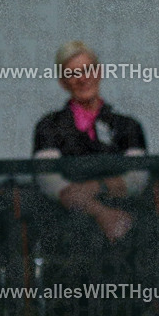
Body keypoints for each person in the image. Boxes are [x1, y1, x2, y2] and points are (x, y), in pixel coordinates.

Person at [33, 40, 148, 240]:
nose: (82, 79)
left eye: (87, 70)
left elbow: (138, 179)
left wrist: (97, 187)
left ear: (99, 72)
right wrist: (101, 213)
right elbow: (49, 181)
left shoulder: (128, 126)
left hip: (127, 219)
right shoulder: (49, 126)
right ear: (62, 82)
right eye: (72, 73)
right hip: (68, 223)